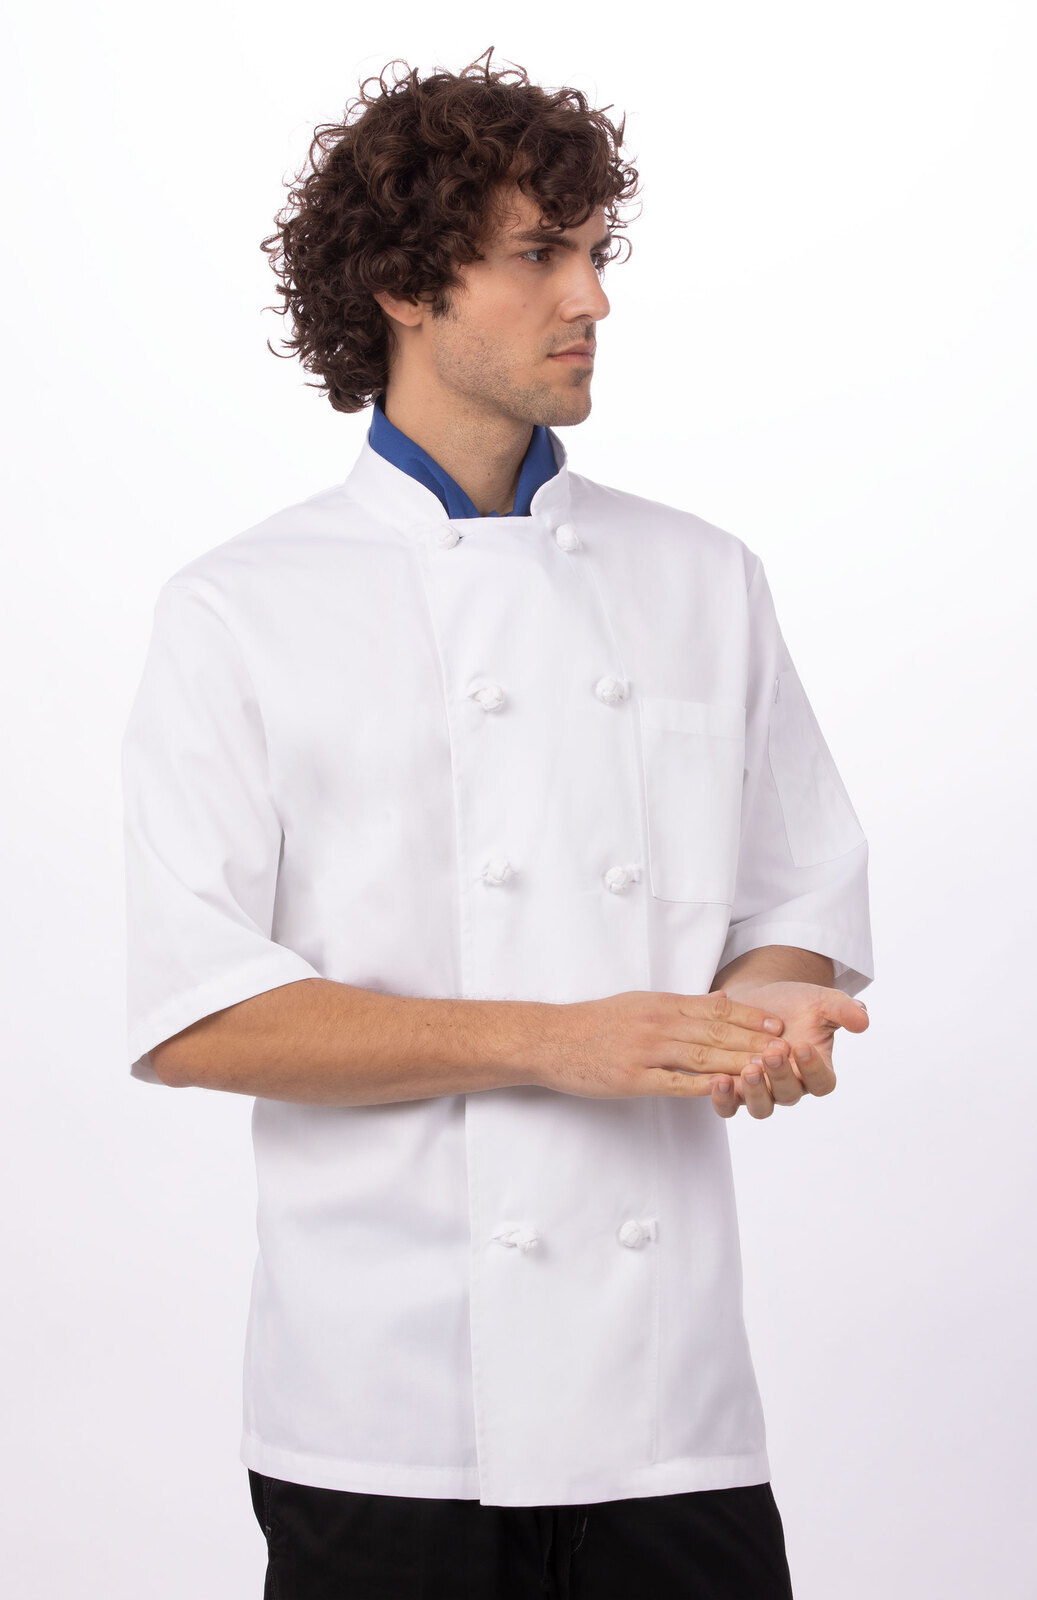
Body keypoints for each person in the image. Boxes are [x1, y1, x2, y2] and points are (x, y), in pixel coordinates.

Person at [120, 45, 874, 1600]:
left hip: (670, 1410)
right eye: (541, 255)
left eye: (594, 252)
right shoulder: (239, 610)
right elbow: (195, 1015)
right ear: (406, 286)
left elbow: (794, 902)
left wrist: (766, 1018)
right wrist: (557, 1041)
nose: (592, 297)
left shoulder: (703, 578)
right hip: (381, 1416)